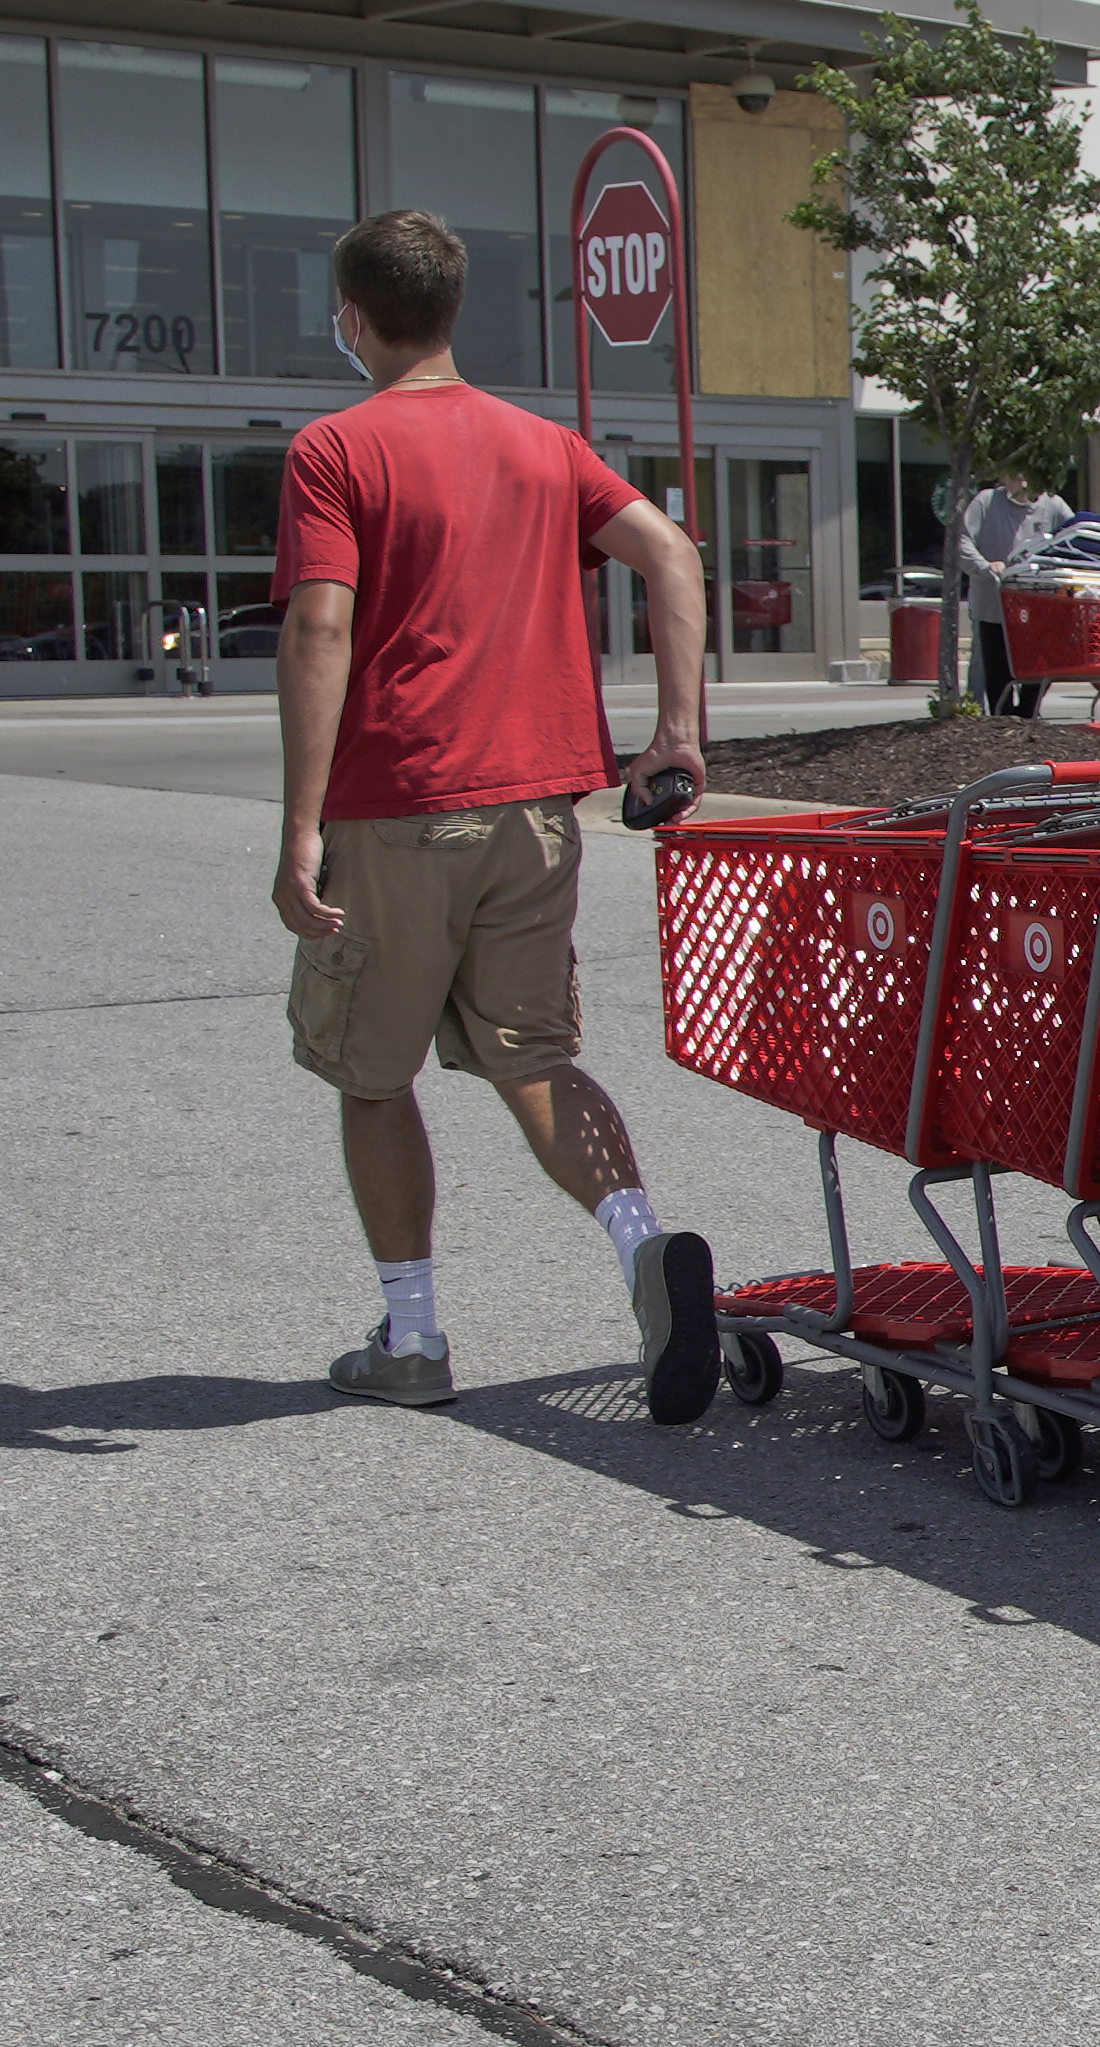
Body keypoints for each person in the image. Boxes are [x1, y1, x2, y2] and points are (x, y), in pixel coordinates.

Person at [271, 208, 723, 1423]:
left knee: (374, 1072)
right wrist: (674, 735)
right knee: (536, 1059)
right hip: (535, 809)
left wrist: (298, 824)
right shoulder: (544, 447)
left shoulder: (334, 450)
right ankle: (642, 1250)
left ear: (354, 318)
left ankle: (412, 1336)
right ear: (452, 311)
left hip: (397, 804)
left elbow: (320, 626)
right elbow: (673, 554)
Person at [956, 469, 1074, 717]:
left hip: (1037, 607)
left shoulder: (1053, 504)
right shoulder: (986, 502)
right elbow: (963, 540)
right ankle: (1000, 716)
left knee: (1039, 666)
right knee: (995, 668)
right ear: (1003, 478)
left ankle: (1028, 714)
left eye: (1027, 477)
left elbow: (1075, 537)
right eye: (1016, 477)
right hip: (994, 606)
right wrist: (985, 565)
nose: (1023, 484)